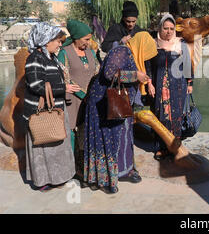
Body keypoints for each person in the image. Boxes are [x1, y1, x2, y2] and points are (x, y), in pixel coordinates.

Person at [83, 31, 156, 194]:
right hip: (105, 104)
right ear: (141, 47)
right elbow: (109, 73)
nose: (145, 58)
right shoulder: (121, 51)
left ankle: (124, 171)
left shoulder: (129, 53)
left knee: (124, 136)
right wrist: (135, 75)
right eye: (146, 53)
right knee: (107, 139)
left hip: (120, 104)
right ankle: (104, 179)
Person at [23, 23, 76, 192]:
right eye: (57, 40)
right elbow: (36, 85)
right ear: (46, 41)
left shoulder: (49, 57)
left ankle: (58, 177)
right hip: (41, 112)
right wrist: (63, 89)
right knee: (43, 147)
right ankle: (43, 180)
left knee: (56, 146)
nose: (60, 44)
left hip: (55, 109)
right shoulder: (34, 59)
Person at [57, 19, 100, 181]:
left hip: (91, 100)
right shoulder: (65, 52)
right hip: (73, 99)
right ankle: (71, 167)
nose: (89, 42)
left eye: (90, 39)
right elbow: (64, 77)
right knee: (72, 132)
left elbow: (97, 71)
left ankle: (84, 165)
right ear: (76, 37)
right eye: (86, 39)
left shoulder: (90, 52)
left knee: (85, 130)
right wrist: (84, 94)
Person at [147, 14, 193, 160]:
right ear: (160, 28)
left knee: (177, 116)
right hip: (160, 87)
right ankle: (161, 148)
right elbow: (147, 67)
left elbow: (187, 64)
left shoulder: (181, 44)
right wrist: (149, 83)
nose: (168, 31)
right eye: (165, 28)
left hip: (178, 86)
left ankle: (176, 147)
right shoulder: (153, 44)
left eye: (171, 29)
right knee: (161, 115)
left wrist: (190, 83)